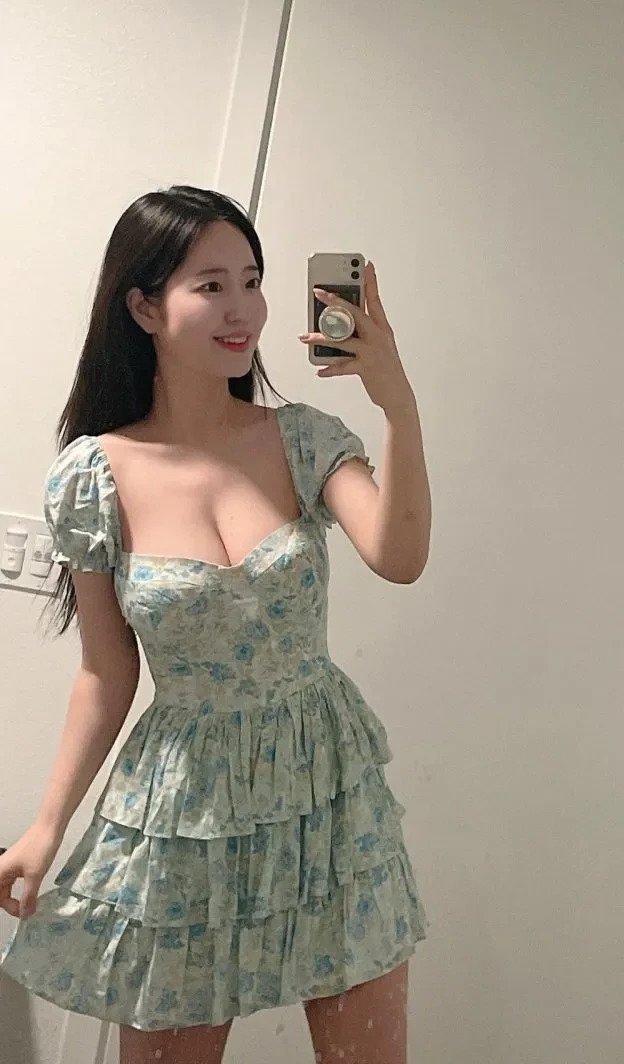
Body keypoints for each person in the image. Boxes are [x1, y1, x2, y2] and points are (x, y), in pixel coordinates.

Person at [0, 186, 430, 1064]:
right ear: (143, 307)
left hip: (328, 793)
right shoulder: (93, 477)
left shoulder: (304, 439)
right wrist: (47, 825)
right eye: (211, 286)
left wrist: (399, 405)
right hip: (185, 809)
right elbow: (106, 672)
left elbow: (399, 556)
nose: (243, 309)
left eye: (252, 281)